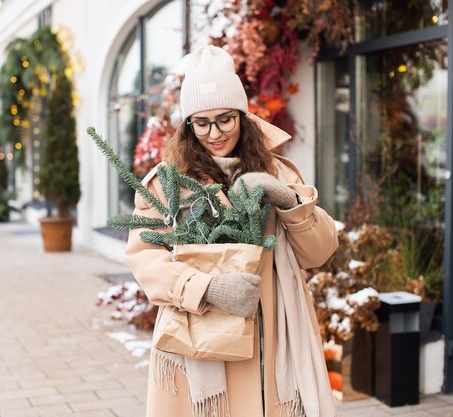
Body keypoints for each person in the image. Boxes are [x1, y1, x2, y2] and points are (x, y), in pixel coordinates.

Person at [125, 45, 338, 417]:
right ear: (187, 125)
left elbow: (318, 252)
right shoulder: (167, 183)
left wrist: (288, 200)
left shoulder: (279, 172)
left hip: (273, 336)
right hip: (199, 333)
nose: (215, 133)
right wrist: (206, 288)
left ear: (242, 114)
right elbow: (145, 257)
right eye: (201, 122)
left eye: (225, 119)